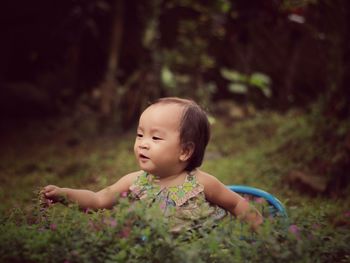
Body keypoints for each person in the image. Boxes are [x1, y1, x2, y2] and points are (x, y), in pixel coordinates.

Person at [42, 97, 263, 232]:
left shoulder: (201, 183)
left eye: (156, 138)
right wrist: (64, 194)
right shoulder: (135, 181)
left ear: (185, 151)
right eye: (140, 135)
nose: (143, 144)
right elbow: (98, 199)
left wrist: (262, 232)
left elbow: (235, 204)